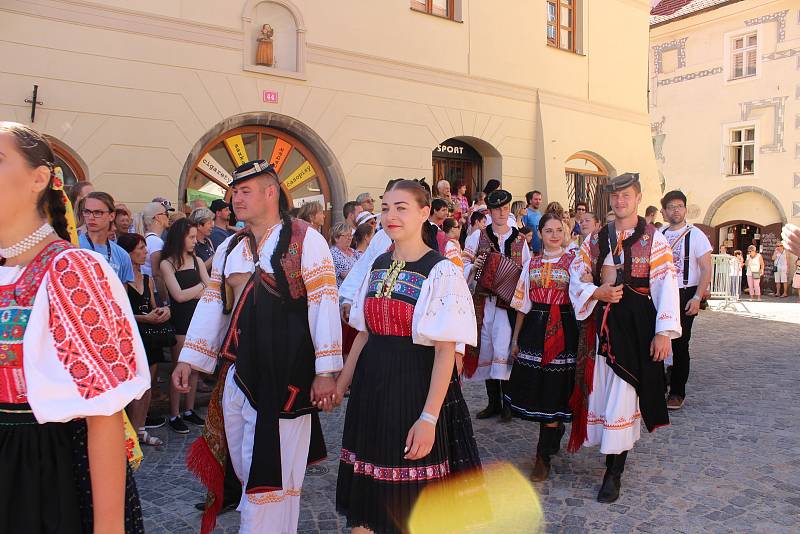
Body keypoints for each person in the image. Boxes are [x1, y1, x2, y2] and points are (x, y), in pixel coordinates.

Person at [172, 160, 342, 534]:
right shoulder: (231, 245)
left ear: (271, 193)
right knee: (246, 468)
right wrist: (190, 359)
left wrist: (326, 372)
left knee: (275, 474)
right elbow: (213, 302)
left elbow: (324, 303)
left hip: (285, 377)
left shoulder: (305, 239)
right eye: (234, 191)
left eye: (245, 191)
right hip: (238, 376)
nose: (236, 198)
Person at [0, 121, 148, 533]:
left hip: (44, 471)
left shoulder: (70, 270)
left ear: (39, 178)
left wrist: (108, 528)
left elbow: (103, 412)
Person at [334, 179, 478, 534]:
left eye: (401, 208)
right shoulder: (377, 263)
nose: (391, 216)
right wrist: (340, 384)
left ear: (424, 213)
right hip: (370, 388)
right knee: (365, 499)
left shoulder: (441, 270)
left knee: (409, 503)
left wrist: (429, 417)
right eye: (385, 208)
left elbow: (446, 351)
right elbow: (364, 334)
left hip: (413, 386)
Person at [568, 172, 680, 503]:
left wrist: (664, 333)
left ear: (638, 197)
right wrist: (596, 291)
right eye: (615, 196)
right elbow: (576, 274)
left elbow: (665, 285)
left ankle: (613, 472)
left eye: (627, 196)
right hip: (600, 329)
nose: (620, 201)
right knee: (602, 391)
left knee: (625, 394)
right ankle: (608, 455)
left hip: (635, 329)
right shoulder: (595, 238)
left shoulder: (653, 239)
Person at [506, 212, 577, 482]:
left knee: (556, 389)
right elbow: (522, 304)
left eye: (559, 230)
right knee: (539, 388)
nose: (554, 235)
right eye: (548, 230)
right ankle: (550, 436)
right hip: (535, 327)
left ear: (565, 232)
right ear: (540, 234)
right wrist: (515, 339)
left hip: (564, 326)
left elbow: (582, 298)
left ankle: (542, 455)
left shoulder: (574, 262)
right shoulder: (531, 263)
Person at [462, 189, 531, 422]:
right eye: (497, 209)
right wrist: (473, 266)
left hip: (508, 306)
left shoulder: (520, 240)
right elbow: (461, 264)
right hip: (484, 303)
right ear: (489, 212)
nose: (502, 212)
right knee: (488, 350)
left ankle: (508, 404)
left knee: (505, 351)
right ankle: (493, 402)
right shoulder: (477, 236)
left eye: (505, 208)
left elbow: (527, 273)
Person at [118, 232, 174, 446]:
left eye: (144, 247)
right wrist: (145, 318)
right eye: (140, 248)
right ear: (128, 253)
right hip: (131, 336)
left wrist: (162, 312)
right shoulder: (122, 280)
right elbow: (121, 312)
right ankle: (129, 432)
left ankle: (140, 429)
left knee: (148, 385)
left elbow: (151, 305)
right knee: (132, 386)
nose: (145, 252)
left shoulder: (148, 279)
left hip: (149, 337)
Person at [659, 190, 712, 411]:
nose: (676, 210)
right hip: (662, 292)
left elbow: (706, 268)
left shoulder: (696, 234)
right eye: (671, 207)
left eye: (679, 206)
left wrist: (698, 297)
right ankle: (658, 386)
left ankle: (677, 392)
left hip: (685, 292)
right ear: (664, 211)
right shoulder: (659, 234)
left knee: (680, 344)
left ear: (685, 209)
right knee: (658, 340)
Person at [160, 218, 209, 434]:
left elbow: (210, 289)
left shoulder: (197, 260)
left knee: (195, 369)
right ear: (180, 238)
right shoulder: (167, 263)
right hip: (180, 322)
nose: (195, 241)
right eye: (190, 237)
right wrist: (199, 287)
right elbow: (178, 296)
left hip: (198, 321)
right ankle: (174, 413)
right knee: (179, 369)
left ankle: (189, 410)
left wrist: (199, 290)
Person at [79, 191, 135, 284]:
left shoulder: (122, 255)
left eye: (98, 212)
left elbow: (123, 294)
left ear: (111, 216)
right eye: (87, 212)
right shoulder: (73, 247)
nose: (91, 217)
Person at [140, 201, 170, 303]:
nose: (168, 217)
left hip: (148, 291)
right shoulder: (156, 242)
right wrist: (165, 300)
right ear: (157, 217)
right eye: (166, 214)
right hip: (156, 294)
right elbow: (157, 274)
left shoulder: (147, 238)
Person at [331, 221, 357, 288]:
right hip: (343, 294)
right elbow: (346, 275)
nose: (350, 238)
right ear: (336, 238)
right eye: (346, 235)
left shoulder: (353, 251)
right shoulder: (333, 253)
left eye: (350, 235)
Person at [190, 207, 216, 271]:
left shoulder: (208, 241)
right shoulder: (192, 244)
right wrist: (216, 256)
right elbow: (196, 270)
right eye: (209, 223)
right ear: (199, 225)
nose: (212, 225)